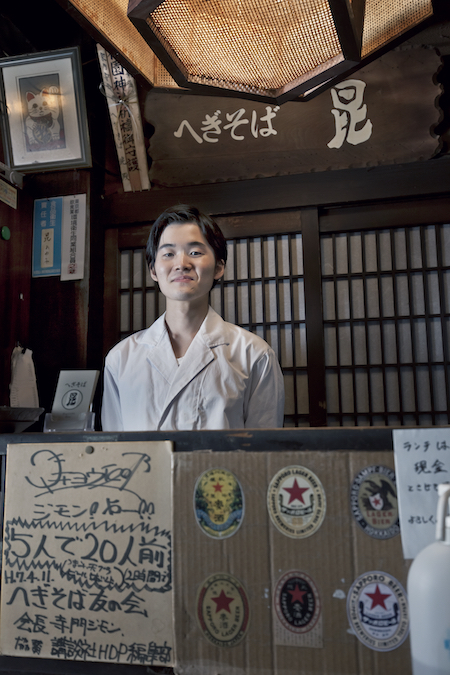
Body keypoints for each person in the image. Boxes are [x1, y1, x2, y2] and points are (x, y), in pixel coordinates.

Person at [101, 205, 285, 431]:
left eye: (195, 253)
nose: (181, 264)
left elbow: (262, 452)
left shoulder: (255, 354)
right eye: (168, 254)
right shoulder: (121, 358)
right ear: (153, 270)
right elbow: (116, 451)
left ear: (219, 267)